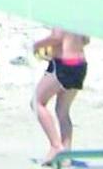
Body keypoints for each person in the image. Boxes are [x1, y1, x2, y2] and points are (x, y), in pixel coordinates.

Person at [32, 28, 89, 166]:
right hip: (80, 64)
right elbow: (86, 40)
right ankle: (66, 155)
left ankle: (56, 146)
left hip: (64, 64)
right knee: (62, 111)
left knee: (37, 102)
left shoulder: (62, 13)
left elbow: (56, 37)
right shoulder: (81, 18)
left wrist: (37, 45)